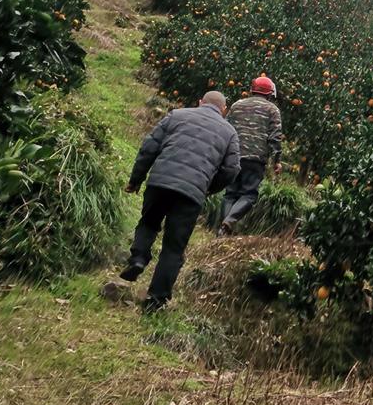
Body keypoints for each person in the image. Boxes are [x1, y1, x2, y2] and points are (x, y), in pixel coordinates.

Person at [119, 91, 240, 312]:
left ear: (200, 102)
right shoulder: (229, 132)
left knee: (149, 222)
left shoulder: (177, 115)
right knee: (173, 247)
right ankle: (155, 300)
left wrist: (136, 180)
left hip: (160, 182)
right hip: (191, 194)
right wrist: (208, 188)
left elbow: (149, 148)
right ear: (225, 110)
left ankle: (138, 258)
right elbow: (231, 170)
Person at [216, 74, 282, 237]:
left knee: (230, 193)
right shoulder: (272, 109)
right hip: (255, 159)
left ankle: (223, 231)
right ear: (269, 94)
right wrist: (276, 161)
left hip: (233, 156)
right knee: (249, 194)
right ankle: (228, 222)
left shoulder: (237, 105)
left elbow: (226, 128)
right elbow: (275, 137)